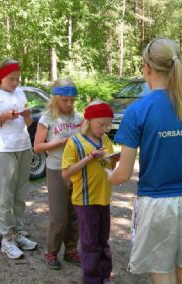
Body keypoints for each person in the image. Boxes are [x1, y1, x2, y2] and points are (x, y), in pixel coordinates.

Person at [107, 37, 182, 284]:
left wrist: (104, 176)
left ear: (147, 67)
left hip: (157, 204)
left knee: (163, 273)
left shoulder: (137, 110)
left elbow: (123, 174)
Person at [0, 59, 37, 259]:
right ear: (1, 77)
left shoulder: (20, 93)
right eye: (11, 78)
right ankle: (6, 239)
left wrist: (27, 116)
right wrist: (2, 118)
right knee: (6, 196)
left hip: (24, 147)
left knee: (20, 195)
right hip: (3, 150)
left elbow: (27, 123)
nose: (15, 82)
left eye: (18, 79)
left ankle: (18, 233)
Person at [62, 101, 118, 284]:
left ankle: (104, 276)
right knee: (89, 243)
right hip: (85, 200)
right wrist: (88, 158)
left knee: (103, 241)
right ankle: (92, 279)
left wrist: (114, 160)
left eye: (107, 125)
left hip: (103, 197)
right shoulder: (75, 142)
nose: (104, 128)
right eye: (101, 124)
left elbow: (110, 165)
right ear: (89, 120)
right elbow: (66, 172)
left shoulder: (106, 140)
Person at [33, 78, 82, 270]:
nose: (69, 104)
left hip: (77, 170)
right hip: (56, 169)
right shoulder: (47, 118)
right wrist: (61, 142)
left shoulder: (78, 118)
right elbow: (37, 147)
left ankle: (71, 250)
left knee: (76, 213)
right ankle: (51, 252)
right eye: (65, 100)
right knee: (59, 216)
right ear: (55, 99)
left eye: (72, 100)